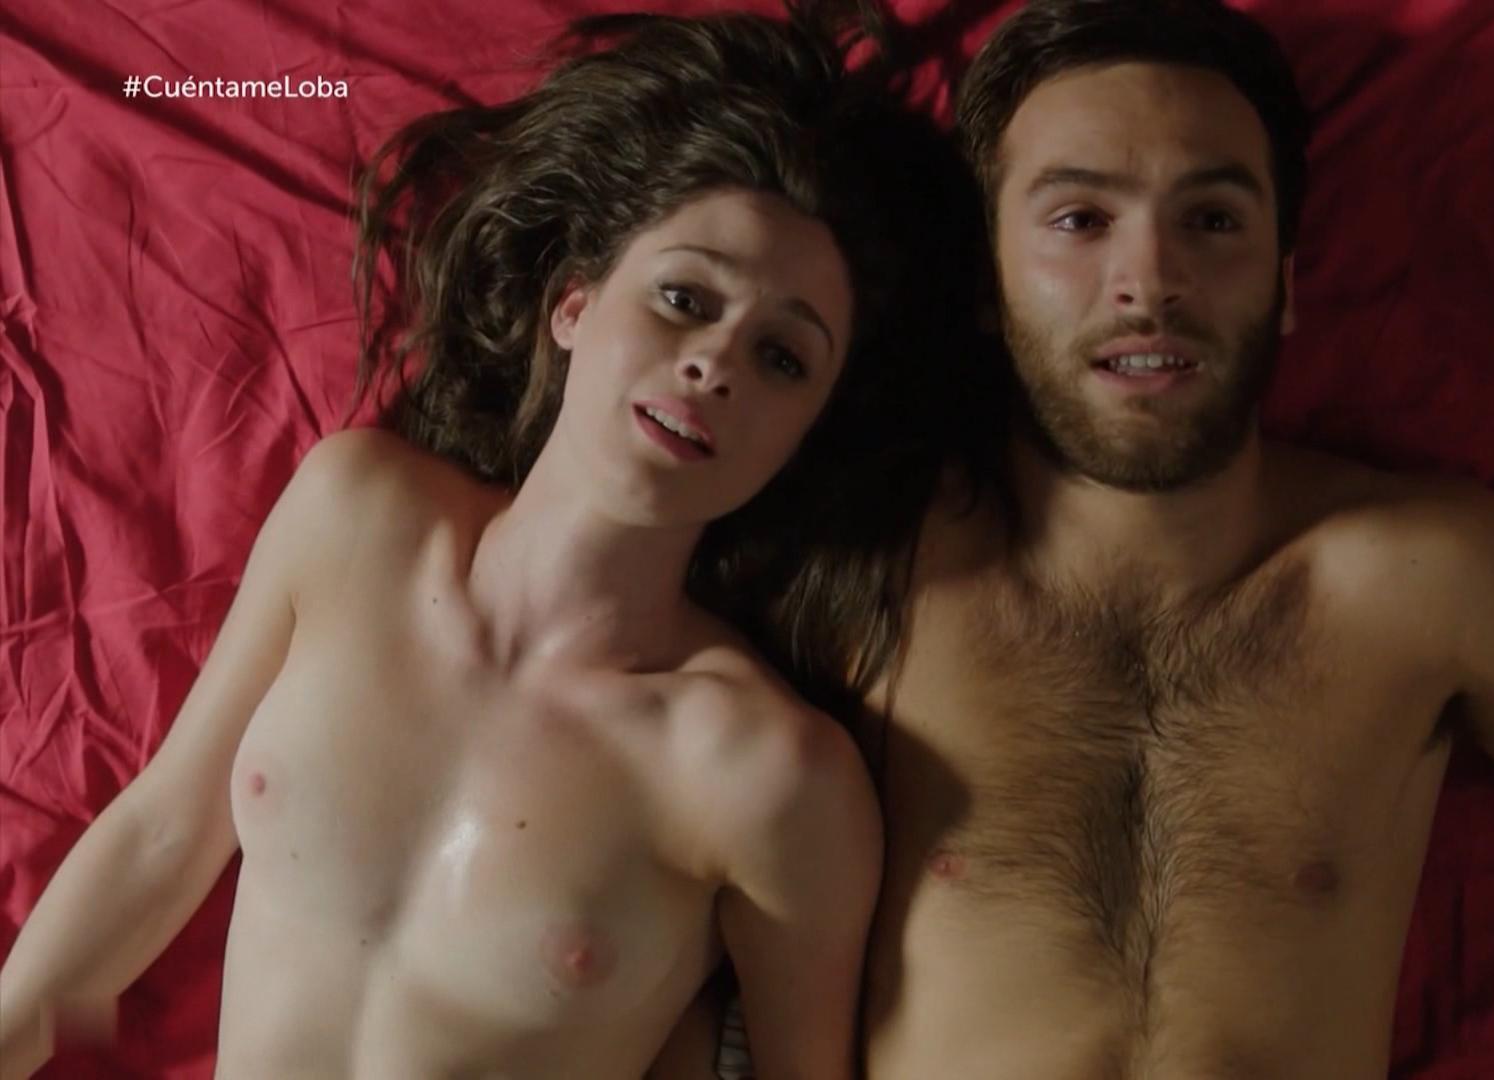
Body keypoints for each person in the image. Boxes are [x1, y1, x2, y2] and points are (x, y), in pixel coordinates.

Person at [661, 1, 1494, 1076]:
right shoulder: (857, 561)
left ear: (1286, 282)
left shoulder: (1426, 576)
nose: (1149, 283)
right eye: (1079, 219)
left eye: (1211, 220)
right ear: (986, 285)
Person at [0, 4, 982, 1077]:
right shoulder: (356, 516)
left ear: (805, 433)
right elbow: (163, 838)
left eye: (783, 358)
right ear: (573, 305)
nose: (715, 365)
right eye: (682, 298)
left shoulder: (766, 776)